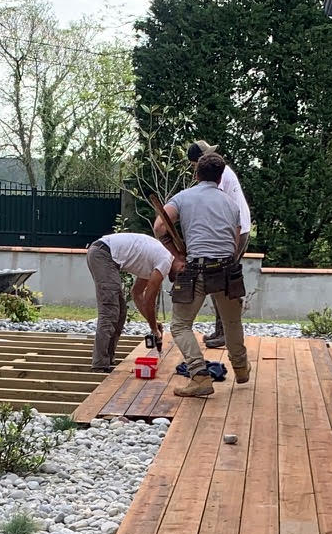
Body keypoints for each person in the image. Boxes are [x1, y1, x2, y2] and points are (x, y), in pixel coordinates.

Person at [155, 151, 247, 399]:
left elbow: (160, 226)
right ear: (220, 177)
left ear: (196, 174)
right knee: (231, 322)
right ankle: (241, 368)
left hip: (196, 268)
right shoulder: (231, 203)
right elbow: (235, 240)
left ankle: (199, 376)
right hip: (227, 269)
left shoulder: (183, 197)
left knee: (180, 325)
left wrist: (176, 254)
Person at [187, 141, 251, 348]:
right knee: (219, 279)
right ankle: (221, 331)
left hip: (235, 231)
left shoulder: (220, 176)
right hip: (237, 228)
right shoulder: (223, 172)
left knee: (221, 280)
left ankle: (224, 333)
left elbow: (216, 205)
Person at [83, 230, 173, 371]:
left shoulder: (156, 261)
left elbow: (137, 294)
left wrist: (153, 324)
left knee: (121, 312)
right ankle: (100, 365)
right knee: (109, 311)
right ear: (181, 262)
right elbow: (149, 300)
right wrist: (154, 329)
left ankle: (108, 359)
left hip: (103, 253)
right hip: (103, 254)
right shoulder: (166, 261)